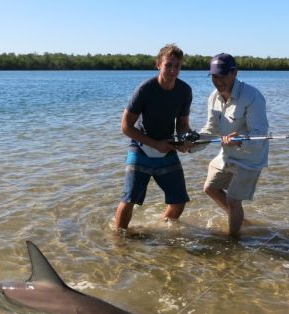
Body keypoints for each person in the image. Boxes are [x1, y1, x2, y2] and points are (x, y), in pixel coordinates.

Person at [115, 44, 192, 232]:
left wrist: (184, 140)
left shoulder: (185, 91)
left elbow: (182, 126)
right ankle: (119, 239)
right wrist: (155, 144)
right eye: (168, 65)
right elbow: (126, 126)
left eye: (177, 66)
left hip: (166, 148)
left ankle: (160, 229)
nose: (173, 70)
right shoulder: (145, 89)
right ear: (158, 64)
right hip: (141, 147)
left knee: (179, 201)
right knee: (129, 199)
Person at [198, 53, 269, 237]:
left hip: (250, 158)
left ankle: (233, 240)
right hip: (227, 154)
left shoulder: (252, 96)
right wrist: (192, 142)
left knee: (233, 200)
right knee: (210, 188)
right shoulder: (213, 97)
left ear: (234, 72)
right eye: (214, 76)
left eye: (222, 76)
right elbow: (211, 128)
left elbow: (260, 135)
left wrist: (239, 140)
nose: (218, 81)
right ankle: (241, 221)